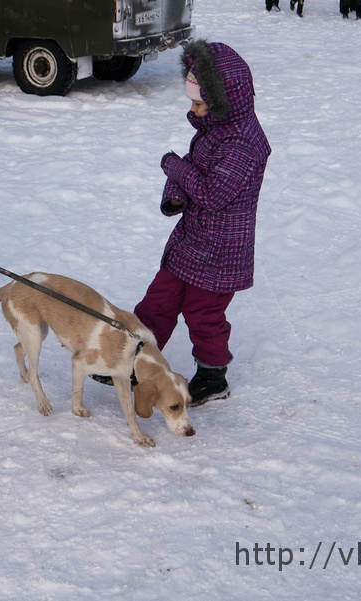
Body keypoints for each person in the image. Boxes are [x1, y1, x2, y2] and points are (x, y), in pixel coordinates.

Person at [133, 39, 271, 407]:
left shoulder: (243, 143)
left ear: (224, 102)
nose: (192, 110)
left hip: (222, 251)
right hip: (193, 240)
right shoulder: (214, 130)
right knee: (158, 300)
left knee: (203, 313)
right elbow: (194, 173)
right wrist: (174, 194)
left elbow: (212, 192)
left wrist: (172, 164)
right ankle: (133, 360)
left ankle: (213, 378)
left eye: (198, 103)